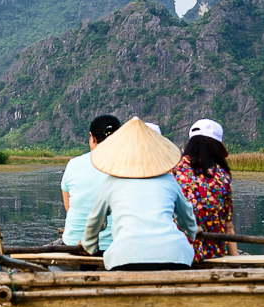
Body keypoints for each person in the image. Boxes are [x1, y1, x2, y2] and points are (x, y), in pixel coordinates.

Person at [83, 117, 198, 270]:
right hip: (175, 256)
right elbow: (186, 217)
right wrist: (193, 232)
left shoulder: (111, 183)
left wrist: (89, 246)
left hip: (124, 257)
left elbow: (95, 220)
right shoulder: (169, 180)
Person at [173, 118, 238, 263]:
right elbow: (228, 226)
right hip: (213, 253)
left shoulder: (174, 171)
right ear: (216, 147)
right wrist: (236, 263)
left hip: (178, 251)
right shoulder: (222, 176)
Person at [60, 115, 122, 250]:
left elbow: (68, 208)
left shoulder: (73, 164)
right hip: (115, 246)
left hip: (73, 243)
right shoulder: (127, 166)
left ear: (92, 137)